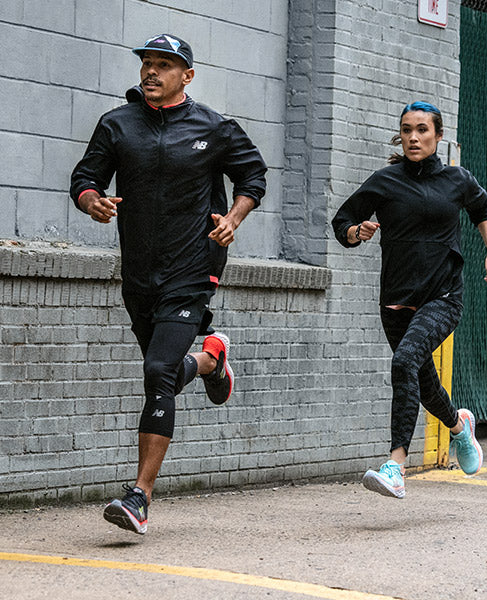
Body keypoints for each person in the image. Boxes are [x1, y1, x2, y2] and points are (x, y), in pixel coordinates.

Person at [70, 34, 267, 533]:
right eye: (147, 64)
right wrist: (91, 198)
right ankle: (209, 361)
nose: (151, 72)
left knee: (157, 371)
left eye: (164, 65)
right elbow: (84, 177)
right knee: (161, 371)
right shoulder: (117, 124)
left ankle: (140, 496)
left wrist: (234, 218)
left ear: (187, 76)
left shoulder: (214, 128)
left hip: (193, 265)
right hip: (139, 271)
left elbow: (253, 177)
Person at [332, 101, 487, 499]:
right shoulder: (385, 181)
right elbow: (342, 222)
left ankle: (396, 465)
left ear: (438, 136)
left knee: (404, 362)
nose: (413, 137)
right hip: (395, 301)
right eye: (407, 130)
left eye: (422, 130)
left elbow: (483, 209)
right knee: (422, 381)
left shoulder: (457, 179)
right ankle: (460, 427)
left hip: (442, 296)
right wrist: (357, 232)